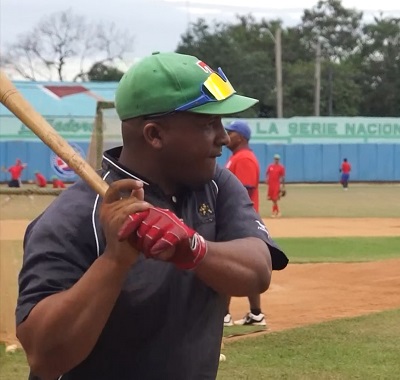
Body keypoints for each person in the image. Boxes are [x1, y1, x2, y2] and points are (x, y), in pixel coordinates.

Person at [15, 51, 288, 380]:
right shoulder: (73, 217)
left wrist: (191, 248)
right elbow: (44, 358)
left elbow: (257, 271)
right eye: (208, 123)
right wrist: (115, 262)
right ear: (155, 135)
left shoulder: (216, 184)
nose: (223, 137)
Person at [223, 119, 267, 327]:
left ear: (240, 137)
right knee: (244, 266)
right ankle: (256, 314)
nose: (225, 136)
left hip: (239, 219)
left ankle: (223, 315)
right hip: (238, 218)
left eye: (230, 132)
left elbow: (244, 192)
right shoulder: (237, 158)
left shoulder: (245, 159)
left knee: (226, 264)